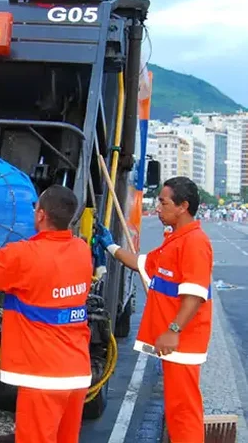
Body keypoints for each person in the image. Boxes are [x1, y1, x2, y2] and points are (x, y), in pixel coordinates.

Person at [0, 184, 93, 443]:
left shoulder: (25, 256)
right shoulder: (81, 250)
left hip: (42, 379)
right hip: (76, 373)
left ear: (41, 215)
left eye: (36, 207)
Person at [95, 176, 213, 443]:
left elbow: (195, 295)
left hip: (182, 343)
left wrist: (173, 330)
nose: (157, 208)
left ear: (183, 206)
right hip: (175, 344)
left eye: (163, 202)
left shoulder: (194, 242)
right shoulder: (174, 240)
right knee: (175, 412)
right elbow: (142, 264)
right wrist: (110, 245)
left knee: (184, 413)